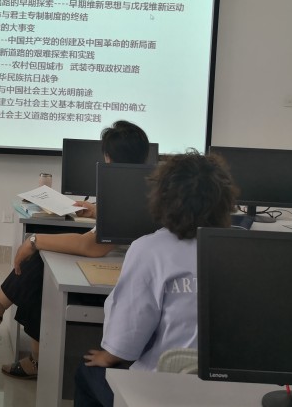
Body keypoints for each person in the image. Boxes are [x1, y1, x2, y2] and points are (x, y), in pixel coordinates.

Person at [0, 120, 150, 379]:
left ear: (109, 158)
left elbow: (91, 246)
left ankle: (0, 319)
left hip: (124, 281)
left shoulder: (126, 193)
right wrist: (95, 210)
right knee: (42, 265)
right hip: (128, 268)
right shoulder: (141, 188)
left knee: (42, 272)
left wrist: (34, 241)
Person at [73, 151, 236, 407]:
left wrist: (108, 356)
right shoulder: (241, 248)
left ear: (163, 198)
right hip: (231, 392)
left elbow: (126, 341)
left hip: (162, 389)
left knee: (87, 374)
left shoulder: (150, 250)